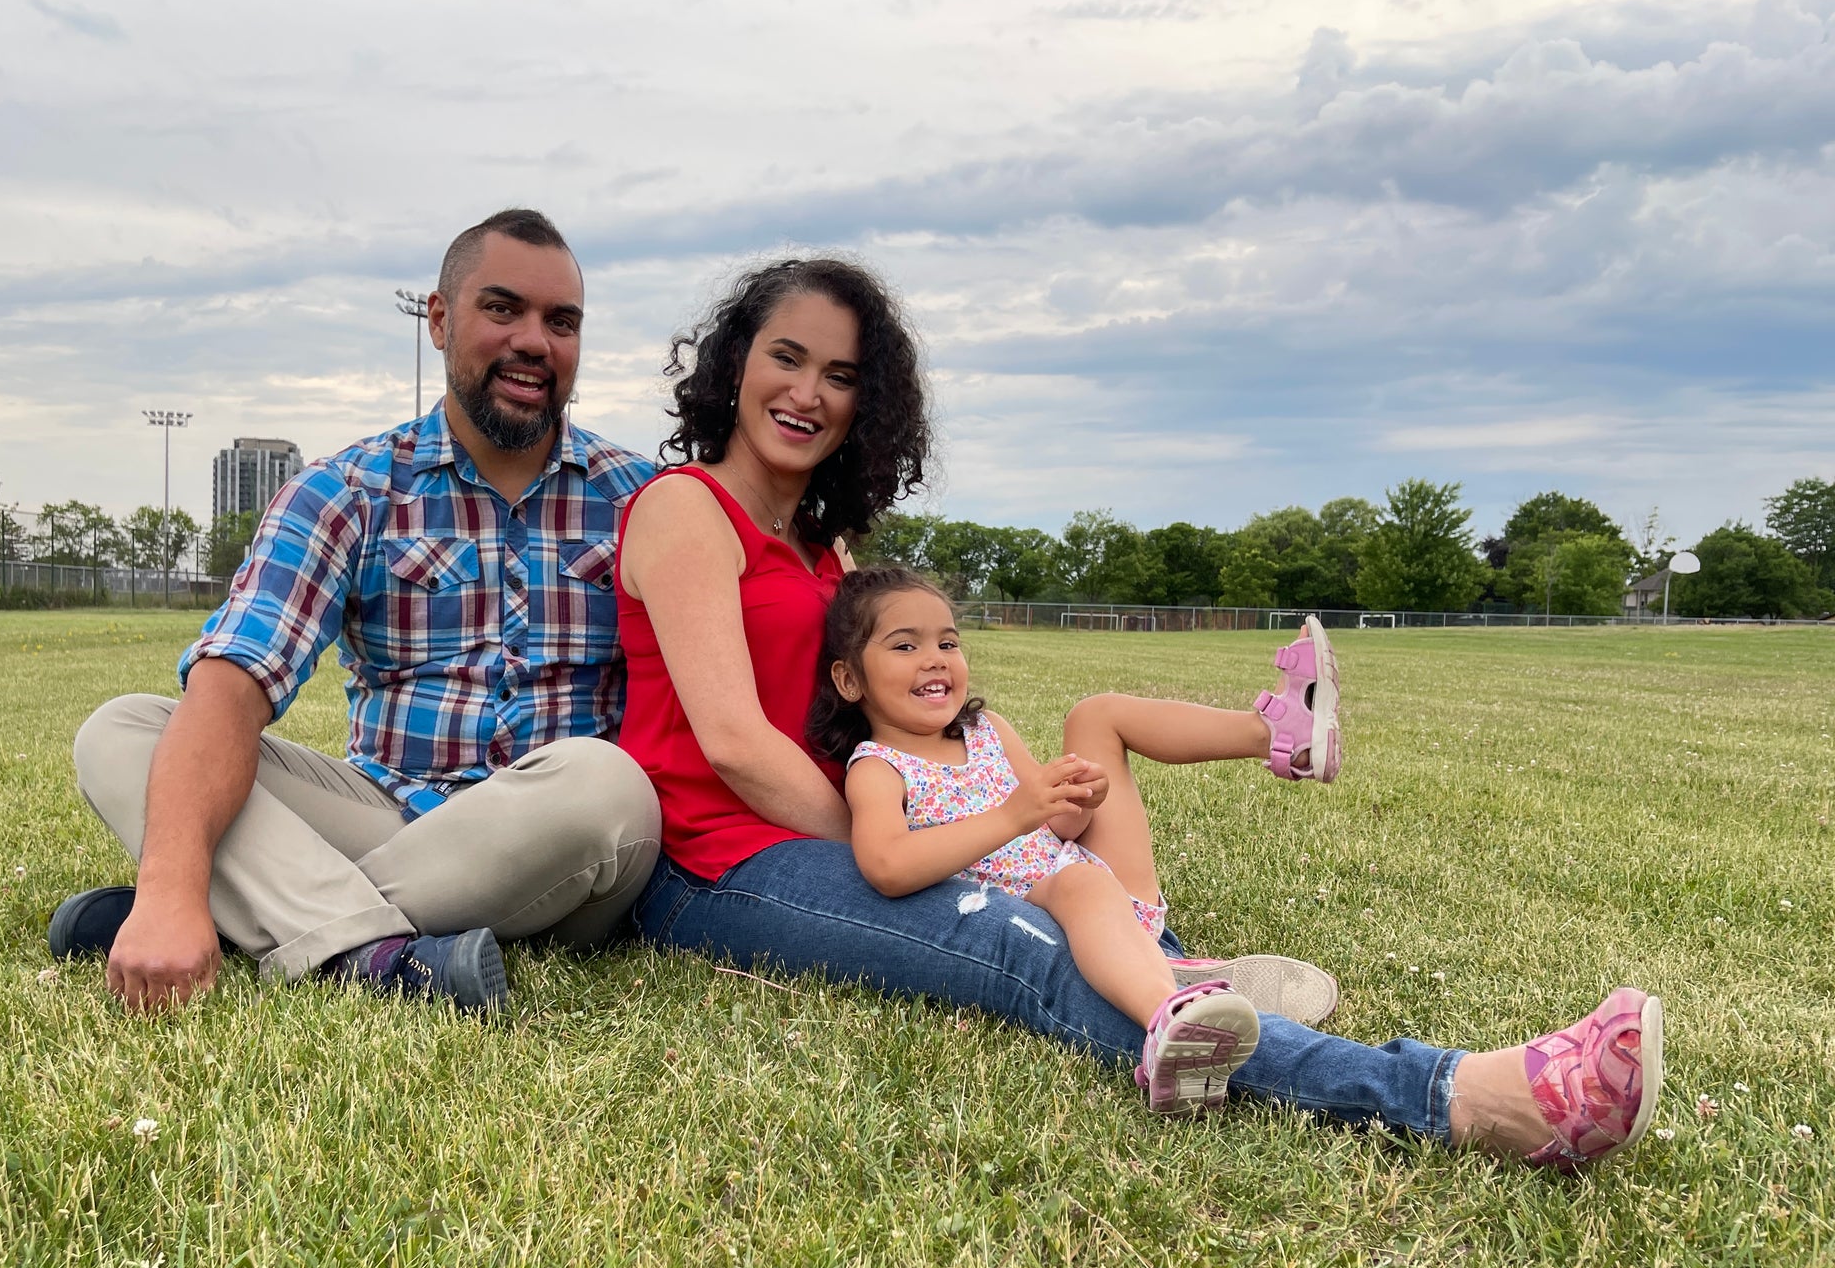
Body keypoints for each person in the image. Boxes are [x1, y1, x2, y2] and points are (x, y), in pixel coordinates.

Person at [615, 253, 1663, 1168]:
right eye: (785, 357)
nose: (807, 392)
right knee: (1022, 944)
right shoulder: (682, 510)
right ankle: (1455, 1097)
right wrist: (932, 851)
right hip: (717, 863)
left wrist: (974, 822)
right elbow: (737, 744)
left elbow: (896, 721)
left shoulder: (828, 553)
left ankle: (1174, 971)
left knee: (1062, 902)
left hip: (837, 826)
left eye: (840, 375)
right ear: (734, 363)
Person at [54, 208, 662, 1013]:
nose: (534, 342)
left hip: (555, 840)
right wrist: (170, 882)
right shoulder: (348, 489)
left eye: (562, 322)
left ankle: (256, 917)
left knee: (607, 785)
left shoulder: (643, 501)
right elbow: (235, 680)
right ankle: (371, 957)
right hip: (388, 814)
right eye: (502, 309)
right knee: (124, 730)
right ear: (439, 321)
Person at [810, 566, 1360, 1112]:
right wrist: (1013, 816)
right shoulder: (879, 769)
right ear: (849, 680)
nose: (935, 657)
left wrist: (1076, 801)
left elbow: (1052, 824)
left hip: (1094, 880)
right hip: (1045, 910)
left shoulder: (988, 730)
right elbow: (886, 864)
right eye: (905, 645)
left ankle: (1279, 735)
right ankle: (1168, 1015)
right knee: (1079, 884)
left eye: (947, 641)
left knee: (1097, 715)